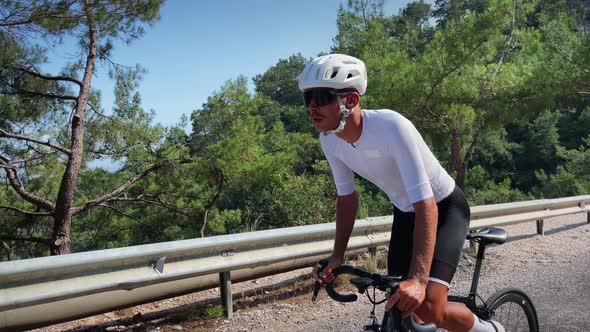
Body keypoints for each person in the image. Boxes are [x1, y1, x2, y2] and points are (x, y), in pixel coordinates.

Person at [301, 54, 504, 332]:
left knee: (430, 308)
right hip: (407, 214)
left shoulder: (391, 127)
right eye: (307, 98)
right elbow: (347, 199)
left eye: (321, 97)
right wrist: (337, 257)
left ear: (351, 101)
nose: (311, 107)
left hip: (444, 209)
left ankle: (490, 330)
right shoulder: (329, 141)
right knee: (398, 303)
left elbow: (427, 205)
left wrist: (420, 280)